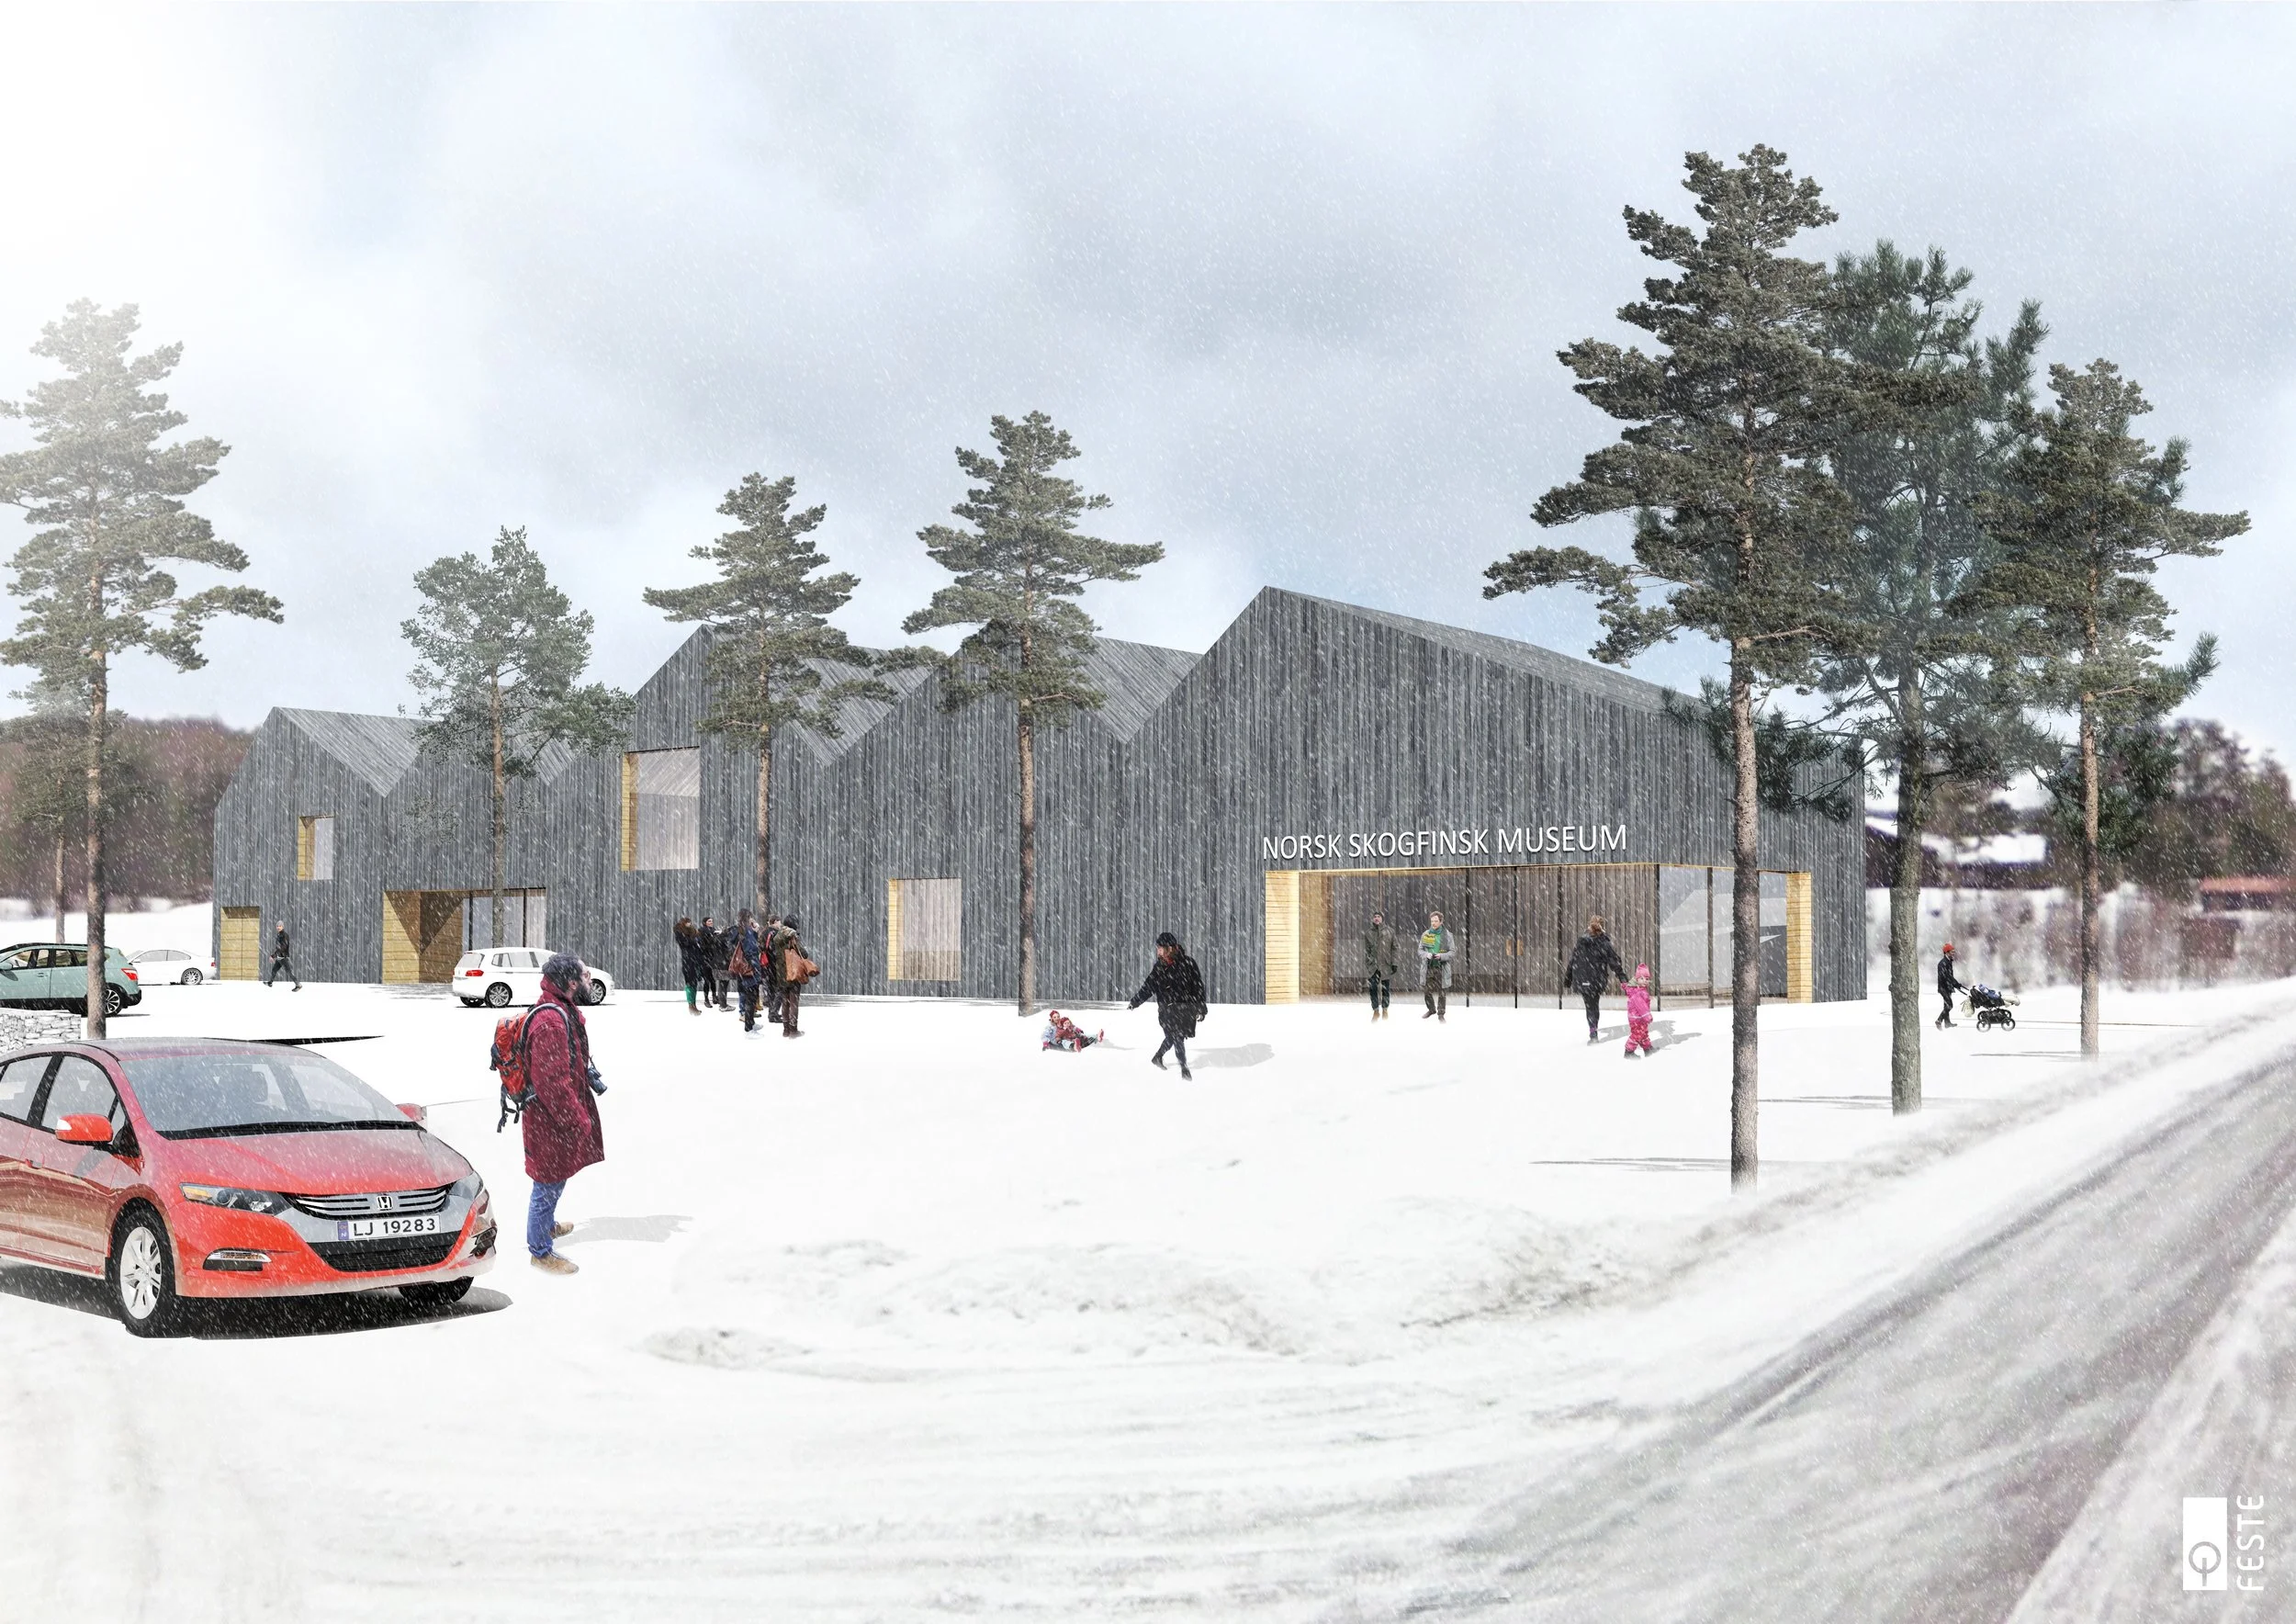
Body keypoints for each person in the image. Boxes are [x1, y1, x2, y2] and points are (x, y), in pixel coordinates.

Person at [523, 953, 605, 1277]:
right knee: (547, 1181)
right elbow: (552, 1084)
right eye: (585, 975)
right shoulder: (551, 1022)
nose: (589, 979)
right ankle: (540, 1251)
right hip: (549, 1120)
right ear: (571, 983)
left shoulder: (560, 1008)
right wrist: (577, 1119)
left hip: (554, 1118)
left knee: (556, 1176)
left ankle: (547, 1226)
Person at [1128, 930, 1206, 1078]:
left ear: (1170, 948)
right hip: (1167, 1011)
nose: (1158, 951)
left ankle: (1158, 1057)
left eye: (1160, 948)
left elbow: (1198, 987)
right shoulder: (1159, 968)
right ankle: (1184, 1069)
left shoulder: (1188, 964)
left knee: (1173, 1037)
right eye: (1157, 948)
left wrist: (1201, 1008)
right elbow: (1148, 987)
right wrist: (1135, 1002)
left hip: (1185, 1010)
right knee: (1177, 1037)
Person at [1567, 915, 1626, 1043]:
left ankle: (1593, 1033)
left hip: (1582, 978)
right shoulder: (1604, 943)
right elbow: (1614, 962)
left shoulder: (1581, 942)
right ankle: (1594, 1032)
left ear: (1589, 926)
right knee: (1594, 1005)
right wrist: (1623, 978)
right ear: (1602, 927)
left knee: (1589, 1006)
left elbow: (1573, 960)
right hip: (1596, 979)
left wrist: (1568, 978)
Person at [776, 917, 812, 1038]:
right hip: (793, 972)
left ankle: (785, 1030)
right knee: (794, 1002)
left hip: (781, 973)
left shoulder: (778, 936)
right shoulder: (792, 936)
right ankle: (793, 1030)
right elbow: (803, 953)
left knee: (785, 1002)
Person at [732, 909, 764, 1035]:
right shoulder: (746, 930)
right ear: (748, 918)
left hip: (744, 969)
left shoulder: (741, 930)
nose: (752, 919)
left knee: (750, 997)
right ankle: (749, 1028)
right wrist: (755, 967)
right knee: (751, 998)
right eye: (751, 917)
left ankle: (751, 1023)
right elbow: (752, 949)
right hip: (750, 968)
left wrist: (755, 932)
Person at [1362, 911, 1399, 1021]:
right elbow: (1367, 950)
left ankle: (1385, 1009)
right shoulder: (1369, 933)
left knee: (1385, 989)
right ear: (1373, 919)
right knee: (1373, 989)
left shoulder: (1390, 931)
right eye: (1375, 917)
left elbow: (1395, 948)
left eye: (1379, 917)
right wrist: (1368, 962)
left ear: (1382, 919)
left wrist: (1395, 963)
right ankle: (1376, 1011)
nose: (1376, 918)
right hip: (1373, 966)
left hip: (1386, 965)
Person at [1418, 910, 1455, 1021]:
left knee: (1442, 993)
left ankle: (1441, 1014)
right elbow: (1420, 950)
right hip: (1429, 967)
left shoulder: (1448, 935)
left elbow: (1452, 952)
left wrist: (1441, 956)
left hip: (1441, 968)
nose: (1433, 923)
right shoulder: (1426, 934)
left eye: (1436, 921)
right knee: (1427, 991)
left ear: (1441, 922)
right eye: (1432, 921)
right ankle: (1431, 1009)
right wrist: (1427, 955)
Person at [673, 918, 705, 1015]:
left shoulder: (693, 932)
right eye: (687, 922)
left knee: (694, 983)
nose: (689, 924)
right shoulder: (679, 933)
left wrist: (696, 939)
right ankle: (691, 1005)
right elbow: (685, 943)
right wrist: (694, 940)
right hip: (688, 961)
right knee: (690, 983)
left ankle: (693, 1005)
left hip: (696, 960)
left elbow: (698, 942)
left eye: (690, 922)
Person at [1624, 964, 1654, 1057]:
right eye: (1642, 978)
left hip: (1639, 1017)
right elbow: (1642, 1007)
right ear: (1636, 979)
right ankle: (1629, 1052)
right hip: (1637, 1018)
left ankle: (1647, 1048)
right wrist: (1648, 1017)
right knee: (1637, 1034)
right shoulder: (1637, 992)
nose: (1645, 981)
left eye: (1647, 979)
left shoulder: (1640, 990)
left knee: (1643, 1033)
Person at [265, 920, 300, 991]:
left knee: (289, 972)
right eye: (277, 926)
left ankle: (298, 985)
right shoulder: (279, 935)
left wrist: (273, 956)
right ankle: (270, 983)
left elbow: (283, 947)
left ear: (283, 927)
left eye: (280, 926)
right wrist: (274, 955)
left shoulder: (284, 935)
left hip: (283, 957)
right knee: (274, 970)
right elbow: (278, 948)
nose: (278, 927)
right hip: (279, 957)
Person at [1937, 942, 1965, 1030]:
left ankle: (1947, 1023)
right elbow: (1946, 976)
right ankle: (1939, 1020)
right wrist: (1955, 983)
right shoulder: (1943, 963)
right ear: (1947, 952)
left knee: (1946, 1005)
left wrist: (1955, 984)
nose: (1953, 953)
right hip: (1944, 987)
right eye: (1952, 952)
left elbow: (1949, 976)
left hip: (1947, 987)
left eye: (1954, 952)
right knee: (1949, 1005)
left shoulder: (1948, 962)